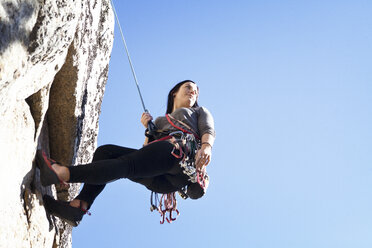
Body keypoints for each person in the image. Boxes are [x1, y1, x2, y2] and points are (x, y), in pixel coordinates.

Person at [37, 80, 215, 226]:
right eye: (188, 88)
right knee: (107, 153)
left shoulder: (199, 112)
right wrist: (149, 131)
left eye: (196, 91)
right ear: (174, 93)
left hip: (180, 156)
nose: (193, 92)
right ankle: (79, 205)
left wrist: (206, 146)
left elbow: (208, 129)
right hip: (163, 181)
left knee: (128, 165)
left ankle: (61, 173)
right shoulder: (161, 121)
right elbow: (144, 153)